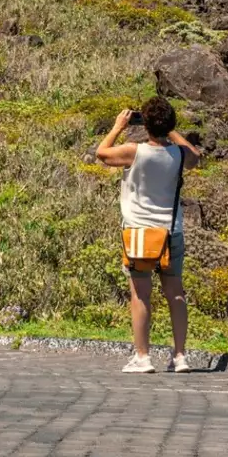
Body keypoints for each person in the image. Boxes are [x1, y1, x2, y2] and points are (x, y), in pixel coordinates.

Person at [97, 95, 202, 374]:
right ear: (169, 124)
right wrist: (171, 130)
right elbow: (195, 156)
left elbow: (102, 153)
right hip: (171, 231)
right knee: (175, 294)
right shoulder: (180, 154)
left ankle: (142, 357)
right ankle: (180, 356)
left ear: (146, 125)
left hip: (139, 231)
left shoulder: (135, 151)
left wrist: (118, 126)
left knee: (141, 294)